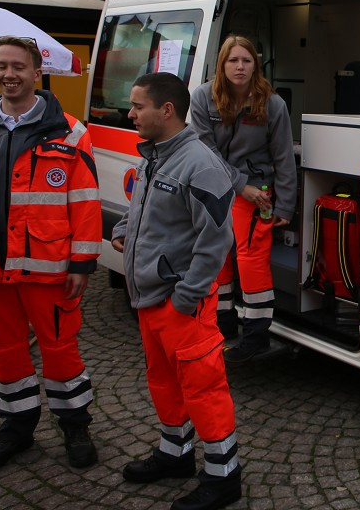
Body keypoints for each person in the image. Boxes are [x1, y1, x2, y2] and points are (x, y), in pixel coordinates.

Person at [0, 36, 100, 475]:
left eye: (18, 66)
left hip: (47, 265)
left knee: (60, 350)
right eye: (1, 66)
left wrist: (82, 262)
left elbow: (86, 200)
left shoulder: (71, 132)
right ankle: (16, 428)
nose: (9, 75)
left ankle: (75, 425)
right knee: (6, 353)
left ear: (38, 72)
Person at [111, 72, 242, 510]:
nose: (130, 114)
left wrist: (187, 297)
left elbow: (217, 239)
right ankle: (175, 454)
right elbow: (145, 207)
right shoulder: (153, 155)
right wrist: (124, 229)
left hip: (181, 304)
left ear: (166, 110)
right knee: (164, 383)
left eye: (137, 106)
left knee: (203, 389)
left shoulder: (199, 162)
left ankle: (224, 479)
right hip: (151, 300)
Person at [188, 36, 297, 364]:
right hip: (216, 189)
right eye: (232, 60)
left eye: (246, 61)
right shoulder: (203, 98)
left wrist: (286, 204)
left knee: (251, 259)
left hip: (258, 192)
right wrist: (240, 186)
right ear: (222, 64)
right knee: (217, 255)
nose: (239, 67)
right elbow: (205, 153)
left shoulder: (272, 103)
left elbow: (283, 157)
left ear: (255, 65)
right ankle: (223, 326)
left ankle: (256, 335)